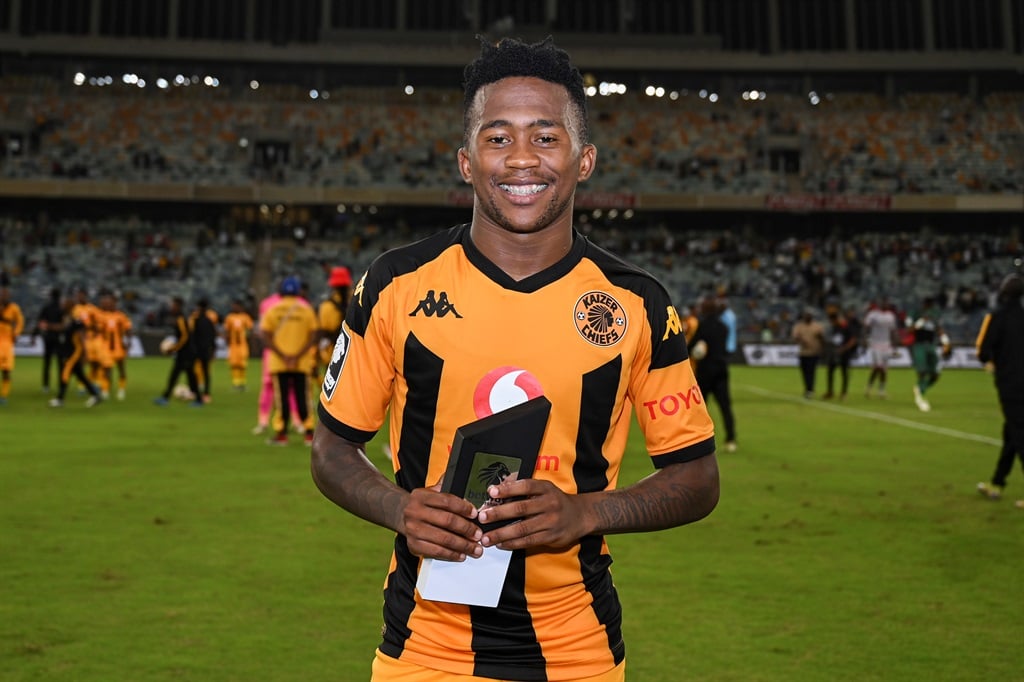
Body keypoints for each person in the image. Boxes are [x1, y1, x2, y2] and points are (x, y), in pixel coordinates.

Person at [310, 37, 719, 682]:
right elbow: (331, 450)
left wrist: (587, 512)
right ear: (465, 162)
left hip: (578, 650)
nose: (522, 159)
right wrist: (400, 507)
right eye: (497, 138)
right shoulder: (395, 285)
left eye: (545, 137)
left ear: (584, 160)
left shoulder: (636, 303)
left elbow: (697, 480)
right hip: (424, 649)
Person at [974, 274, 1024, 508]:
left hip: (1011, 384)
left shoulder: (997, 316)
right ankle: (997, 483)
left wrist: (993, 362)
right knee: (1011, 433)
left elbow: (983, 350)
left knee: (1018, 432)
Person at [259, 276, 318, 446]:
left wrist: (283, 355)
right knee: (303, 396)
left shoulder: (273, 310)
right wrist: (297, 355)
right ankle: (308, 433)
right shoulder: (306, 310)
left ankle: (282, 433)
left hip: (279, 361)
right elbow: (313, 334)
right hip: (301, 362)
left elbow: (265, 334)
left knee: (281, 398)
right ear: (299, 291)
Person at [690, 297, 737, 452]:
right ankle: (731, 439)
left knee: (700, 408)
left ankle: (698, 440)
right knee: (725, 406)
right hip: (721, 369)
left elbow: (691, 347)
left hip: (705, 371)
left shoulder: (703, 326)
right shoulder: (723, 326)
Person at [48, 296, 103, 408]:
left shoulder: (76, 318)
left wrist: (85, 352)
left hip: (75, 350)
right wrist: (49, 326)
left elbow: (81, 335)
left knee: (65, 371)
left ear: (70, 305)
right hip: (67, 349)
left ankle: (60, 399)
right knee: (80, 374)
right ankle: (96, 395)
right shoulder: (66, 317)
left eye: (65, 303)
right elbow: (63, 328)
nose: (63, 305)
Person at [153, 296, 203, 407]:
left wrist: (174, 348)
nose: (172, 307)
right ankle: (167, 397)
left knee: (184, 377)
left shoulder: (180, 319)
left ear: (178, 306)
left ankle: (167, 398)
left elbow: (184, 337)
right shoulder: (179, 318)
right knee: (185, 376)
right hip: (185, 353)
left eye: (173, 305)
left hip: (186, 353)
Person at [908, 299, 951, 412]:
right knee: (922, 371)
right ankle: (920, 395)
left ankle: (920, 388)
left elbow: (939, 330)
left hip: (931, 346)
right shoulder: (916, 314)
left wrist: (946, 342)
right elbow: (909, 330)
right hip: (919, 345)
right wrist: (920, 322)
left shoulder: (934, 316)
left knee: (935, 374)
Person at [317, 265, 353, 378]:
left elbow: (323, 331)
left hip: (333, 355)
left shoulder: (326, 306)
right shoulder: (358, 302)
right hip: (354, 354)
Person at [823, 305, 861, 400]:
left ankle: (844, 393)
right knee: (830, 371)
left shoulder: (846, 326)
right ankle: (830, 391)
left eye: (832, 321)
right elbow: (834, 339)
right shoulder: (835, 327)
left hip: (844, 352)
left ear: (836, 319)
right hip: (835, 352)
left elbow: (853, 340)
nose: (832, 323)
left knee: (844, 373)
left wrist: (845, 348)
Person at [862, 300, 899, 398]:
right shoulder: (873, 315)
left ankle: (881, 390)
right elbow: (866, 326)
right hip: (875, 343)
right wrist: (865, 338)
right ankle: (869, 388)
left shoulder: (890, 316)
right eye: (884, 303)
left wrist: (895, 345)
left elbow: (893, 330)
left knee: (884, 369)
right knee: (878, 367)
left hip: (886, 344)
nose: (885, 305)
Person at [33, 287, 64, 393]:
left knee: (47, 362)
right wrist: (56, 327)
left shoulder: (46, 308)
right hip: (59, 338)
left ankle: (45, 385)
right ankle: (61, 384)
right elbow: (64, 325)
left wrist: (34, 335)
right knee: (60, 363)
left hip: (48, 337)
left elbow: (40, 323)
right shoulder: (61, 308)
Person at [791, 307, 825, 399]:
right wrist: (802, 341)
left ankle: (810, 389)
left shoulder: (817, 326)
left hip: (814, 352)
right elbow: (795, 336)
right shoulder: (799, 326)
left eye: (809, 315)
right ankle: (808, 388)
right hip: (803, 352)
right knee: (804, 372)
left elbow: (822, 338)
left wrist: (822, 348)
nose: (807, 317)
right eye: (806, 315)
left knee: (812, 371)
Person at [189, 298, 218, 403]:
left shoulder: (196, 321)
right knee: (206, 372)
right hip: (206, 350)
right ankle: (206, 393)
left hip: (197, 350)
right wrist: (214, 350)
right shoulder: (209, 321)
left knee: (194, 371)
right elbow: (213, 337)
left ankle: (194, 391)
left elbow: (193, 336)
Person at [0, 286, 25, 405]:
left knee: (6, 369)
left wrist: (16, 333)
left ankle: (4, 395)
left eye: (5, 294)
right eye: (2, 294)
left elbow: (20, 321)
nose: (3, 296)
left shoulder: (14, 308)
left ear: (9, 296)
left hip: (7, 343)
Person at [222, 298, 254, 390]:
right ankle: (236, 383)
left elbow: (250, 329)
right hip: (233, 345)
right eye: (233, 306)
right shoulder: (229, 317)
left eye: (236, 306)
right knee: (234, 364)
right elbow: (227, 330)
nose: (234, 307)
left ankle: (242, 383)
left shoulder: (245, 317)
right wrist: (227, 340)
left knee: (243, 364)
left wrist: (248, 337)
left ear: (240, 307)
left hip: (242, 344)